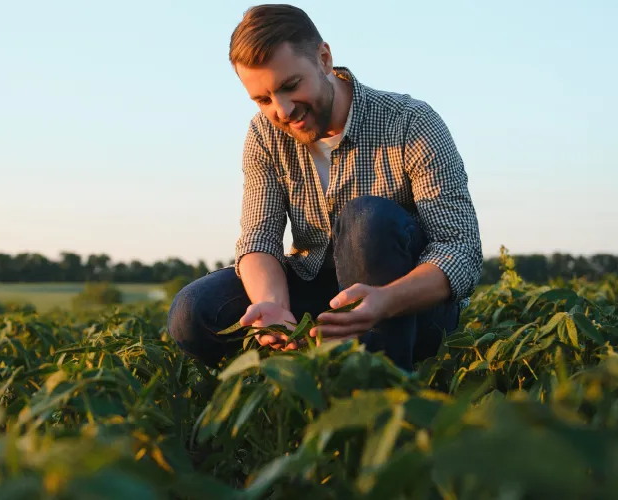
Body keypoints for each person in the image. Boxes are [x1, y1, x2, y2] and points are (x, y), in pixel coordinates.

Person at [167, 4, 482, 372]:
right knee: (192, 313)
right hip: (316, 289)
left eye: (290, 86)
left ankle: (381, 387)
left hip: (406, 305)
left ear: (324, 58)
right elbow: (258, 238)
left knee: (368, 219)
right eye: (263, 99)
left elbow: (460, 248)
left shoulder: (411, 122)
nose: (282, 110)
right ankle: (290, 373)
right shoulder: (264, 134)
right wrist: (275, 307)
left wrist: (385, 301)